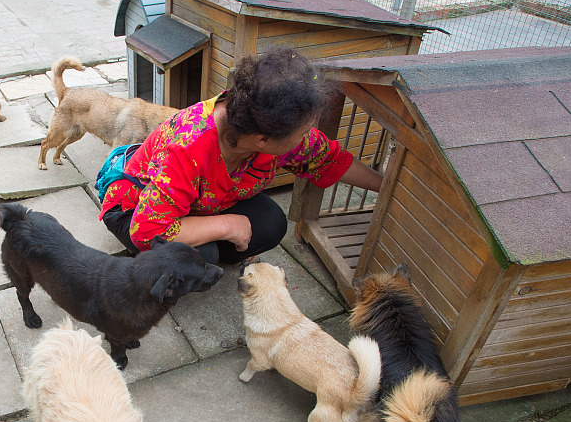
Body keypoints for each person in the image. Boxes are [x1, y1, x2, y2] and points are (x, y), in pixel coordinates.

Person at [100, 49, 383, 265]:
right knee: (198, 254)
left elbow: (330, 160)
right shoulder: (188, 146)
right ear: (263, 140)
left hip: (196, 206)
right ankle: (157, 269)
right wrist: (227, 225)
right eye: (303, 132)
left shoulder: (265, 127)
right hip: (135, 209)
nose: (306, 137)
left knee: (271, 223)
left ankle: (208, 247)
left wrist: (389, 187)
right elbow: (147, 229)